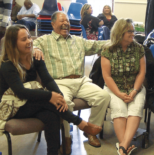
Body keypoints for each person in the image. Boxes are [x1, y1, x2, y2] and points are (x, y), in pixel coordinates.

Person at [0, 24, 102, 155]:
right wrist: (50, 96)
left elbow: (47, 80)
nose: (29, 41)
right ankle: (80, 123)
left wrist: (59, 96)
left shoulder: (35, 57)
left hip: (32, 103)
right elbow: (20, 92)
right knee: (48, 101)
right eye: (23, 39)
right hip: (12, 107)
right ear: (13, 43)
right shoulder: (7, 64)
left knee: (52, 115)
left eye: (29, 37)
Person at [33, 11, 110, 154]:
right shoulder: (44, 41)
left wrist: (118, 40)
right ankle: (67, 139)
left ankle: (91, 131)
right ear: (53, 24)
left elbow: (98, 45)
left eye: (67, 21)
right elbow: (30, 45)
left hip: (81, 81)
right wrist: (35, 49)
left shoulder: (78, 40)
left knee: (103, 96)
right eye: (62, 21)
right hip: (59, 82)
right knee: (64, 103)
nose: (65, 24)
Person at [101, 18, 146, 155]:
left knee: (136, 108)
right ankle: (125, 147)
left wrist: (134, 91)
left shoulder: (138, 48)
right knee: (119, 109)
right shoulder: (108, 50)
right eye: (130, 31)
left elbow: (141, 72)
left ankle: (122, 147)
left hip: (135, 87)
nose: (133, 34)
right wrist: (119, 94)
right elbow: (107, 76)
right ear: (120, 33)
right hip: (114, 87)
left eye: (133, 31)